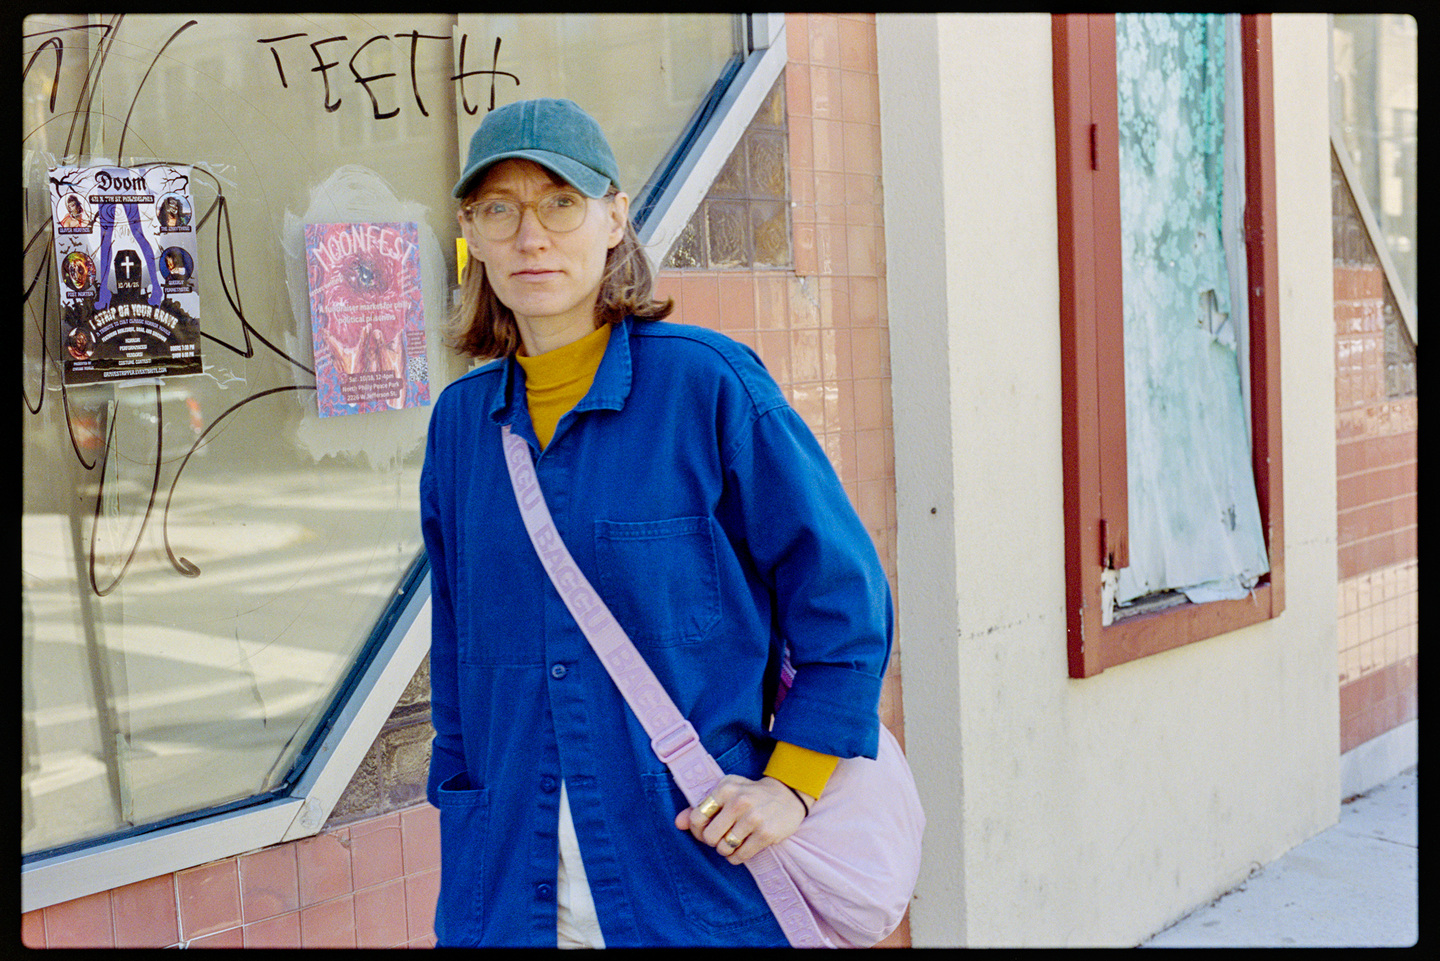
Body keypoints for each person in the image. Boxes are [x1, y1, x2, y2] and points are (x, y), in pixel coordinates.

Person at [420, 97, 893, 948]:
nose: (531, 237)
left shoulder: (707, 388)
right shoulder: (461, 427)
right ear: (472, 234)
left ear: (614, 218)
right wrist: (463, 793)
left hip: (693, 883)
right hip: (512, 892)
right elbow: (456, 650)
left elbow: (844, 602)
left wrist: (790, 785)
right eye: (500, 209)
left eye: (560, 202)